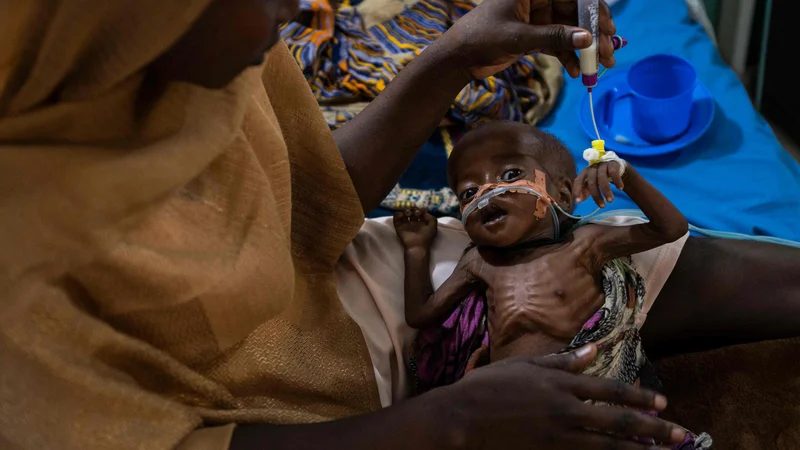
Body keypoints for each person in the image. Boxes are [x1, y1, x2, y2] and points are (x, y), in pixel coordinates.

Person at [0, 0, 797, 449]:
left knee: (714, 275)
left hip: (340, 279)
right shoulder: (20, 291)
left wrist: (454, 55)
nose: (295, 6)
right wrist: (442, 423)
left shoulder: (195, 60)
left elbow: (311, 196)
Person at [394, 123, 710, 448]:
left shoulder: (585, 245)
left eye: (510, 174)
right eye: (467, 192)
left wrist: (625, 174)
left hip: (582, 397)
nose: (486, 192)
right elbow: (421, 314)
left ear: (560, 195)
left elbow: (670, 228)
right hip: (511, 410)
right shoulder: (479, 261)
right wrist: (416, 250)